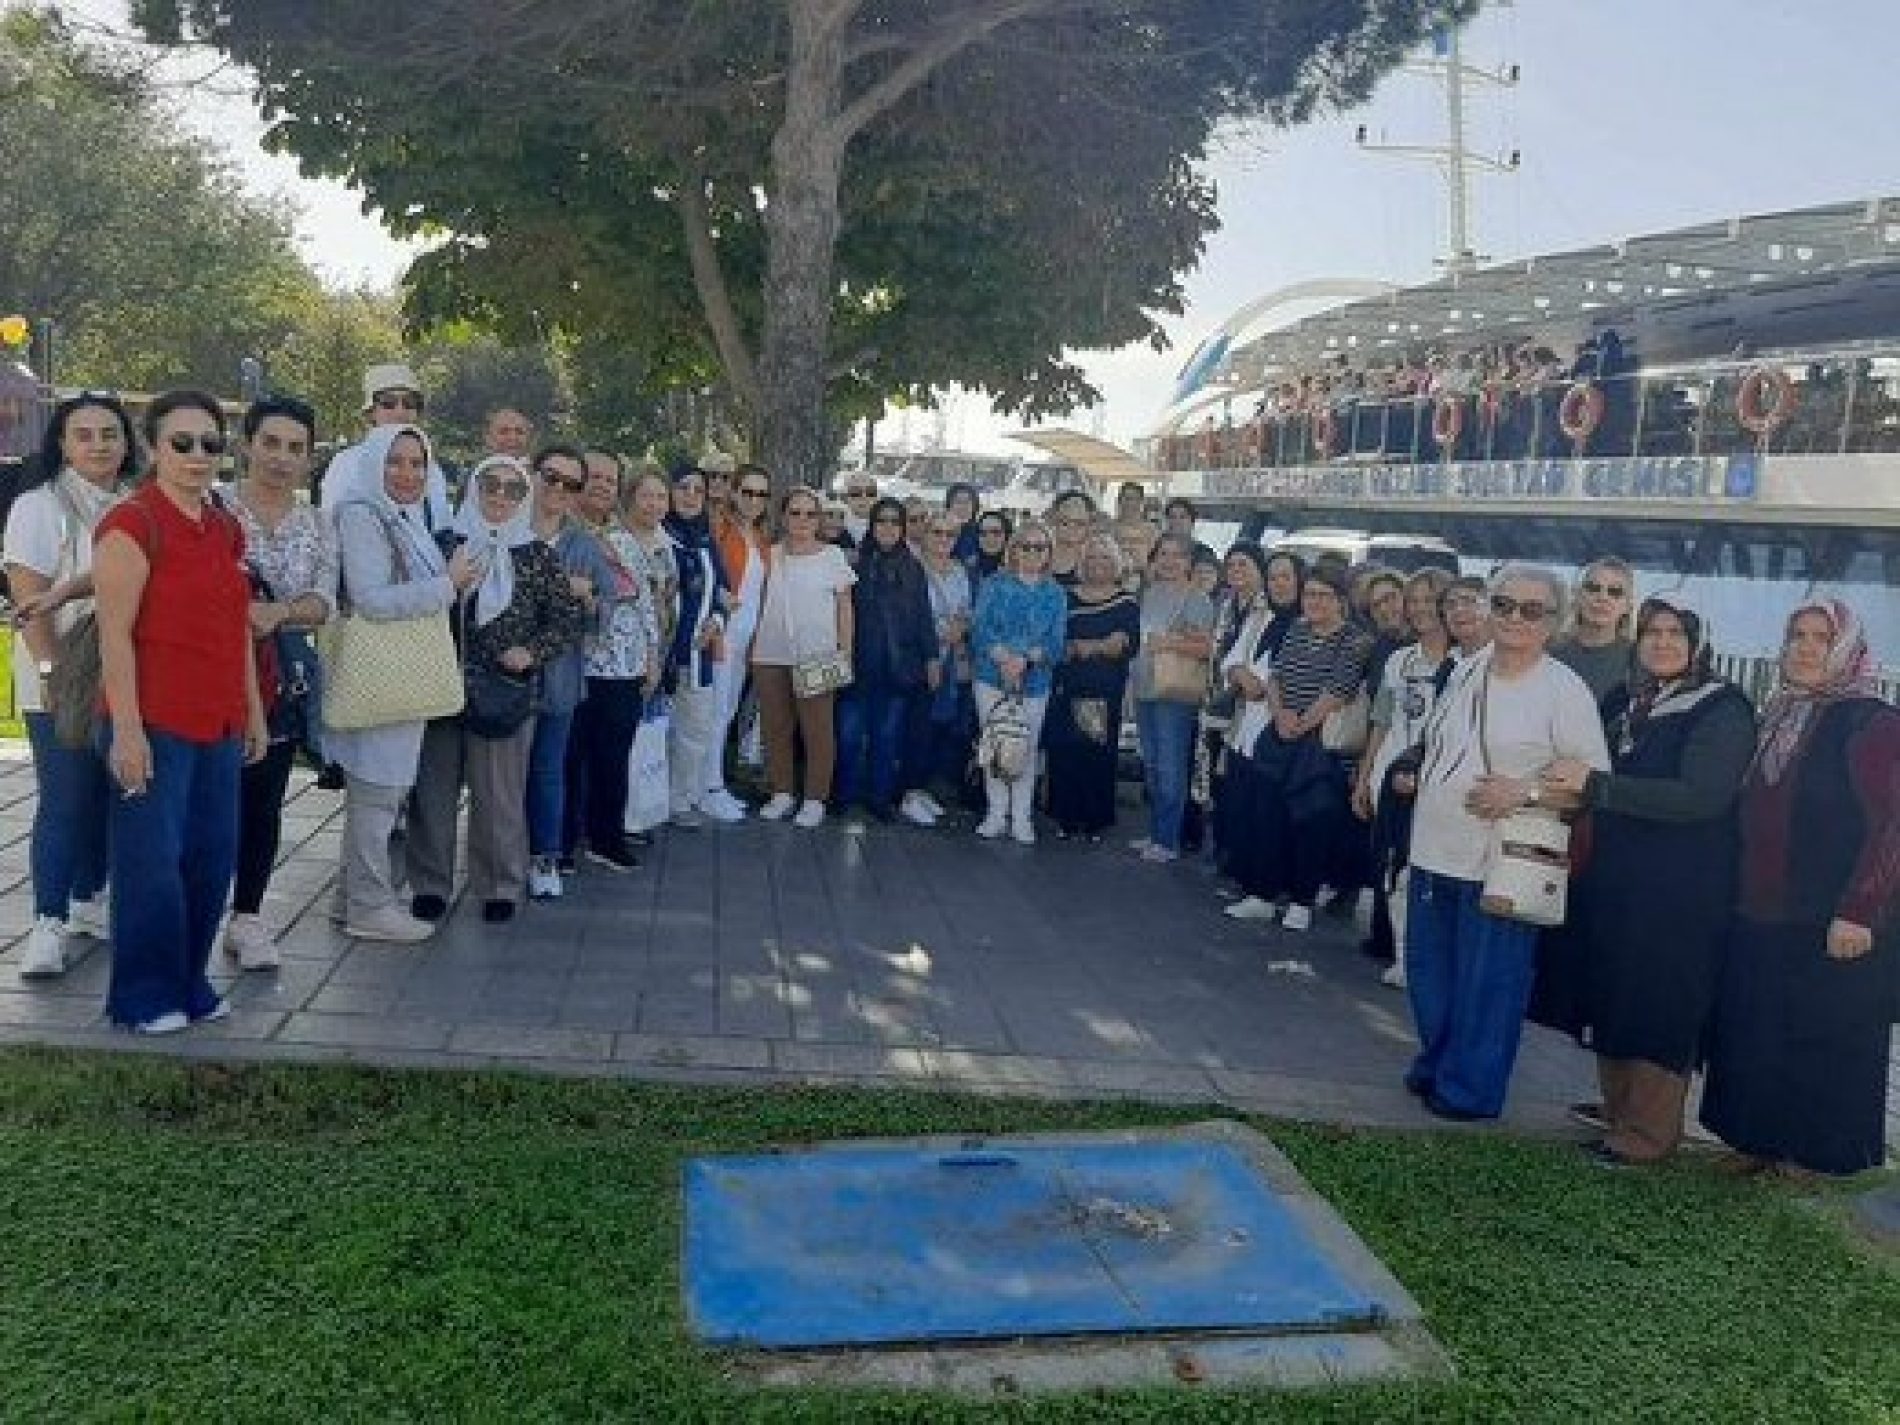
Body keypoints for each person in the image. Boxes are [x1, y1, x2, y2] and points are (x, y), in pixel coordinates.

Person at [1536, 596, 1756, 1165]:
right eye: (1652, 632)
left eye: (1675, 634)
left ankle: (1649, 1133)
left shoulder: (1722, 709)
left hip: (1680, 889)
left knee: (1661, 1001)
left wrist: (1597, 787)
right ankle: (1619, 1111)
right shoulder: (1626, 700)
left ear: (1697, 644)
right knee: (1616, 989)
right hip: (1620, 879)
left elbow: (1701, 797)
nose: (1662, 643)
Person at [1699, 599, 1899, 1177]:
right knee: (1761, 1029)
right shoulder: (1781, 712)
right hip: (1765, 910)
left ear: (1847, 649)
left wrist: (1859, 910)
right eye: (1797, 636)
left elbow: (1892, 824)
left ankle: (1821, 1157)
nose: (1806, 648)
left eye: (1820, 637)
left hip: (1834, 916)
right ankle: (1760, 1144)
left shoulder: (1872, 721)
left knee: (1825, 1037)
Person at [1403, 564, 1609, 1120]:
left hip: (1501, 863)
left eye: (1532, 609)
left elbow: (1587, 783)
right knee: (1430, 974)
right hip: (1433, 850)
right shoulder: (1467, 669)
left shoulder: (1564, 690)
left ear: (1552, 622)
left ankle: (1470, 1090)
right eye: (1505, 605)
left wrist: (1524, 791)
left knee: (1488, 986)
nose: (1515, 617)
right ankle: (1438, 1063)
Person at [92, 390, 268, 1031]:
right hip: (154, 723)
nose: (198, 456)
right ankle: (142, 998)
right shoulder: (131, 524)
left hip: (218, 723)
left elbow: (236, 627)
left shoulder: (223, 524)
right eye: (182, 443)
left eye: (210, 444)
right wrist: (128, 733)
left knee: (210, 859)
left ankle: (189, 982)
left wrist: (253, 710)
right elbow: (115, 636)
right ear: (152, 447)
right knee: (150, 868)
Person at [411, 456, 587, 922]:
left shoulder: (535, 553)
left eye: (513, 489)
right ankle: (430, 883)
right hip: (442, 685)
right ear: (473, 486)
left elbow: (569, 618)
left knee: (500, 796)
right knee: (433, 792)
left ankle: (500, 886)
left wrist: (531, 652)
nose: (500, 496)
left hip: (505, 692)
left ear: (524, 497)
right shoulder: (444, 542)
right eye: (490, 484)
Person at [325, 424, 480, 941]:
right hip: (384, 672)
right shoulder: (364, 515)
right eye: (396, 462)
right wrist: (448, 586)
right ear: (373, 464)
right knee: (379, 788)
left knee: (380, 788)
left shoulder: (401, 515)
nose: (408, 473)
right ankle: (369, 904)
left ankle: (353, 897)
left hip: (397, 675)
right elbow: (373, 598)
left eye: (418, 463)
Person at [4, 392, 133, 978]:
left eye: (110, 433)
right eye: (85, 434)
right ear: (61, 442)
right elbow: (28, 600)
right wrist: (53, 673)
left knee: (108, 792)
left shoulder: (136, 503)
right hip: (58, 674)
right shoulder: (38, 507)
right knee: (65, 797)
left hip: (123, 674)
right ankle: (47, 922)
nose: (99, 445)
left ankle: (89, 899)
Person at [224, 394, 337, 970]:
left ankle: (247, 917)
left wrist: (278, 613)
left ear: (310, 458)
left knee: (263, 804)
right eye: (270, 443)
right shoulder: (214, 508)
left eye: (295, 448)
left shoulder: (317, 522)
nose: (281, 458)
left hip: (279, 686)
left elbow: (323, 601)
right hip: (209, 682)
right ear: (247, 445)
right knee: (206, 805)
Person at [1225, 566, 1371, 930]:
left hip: (1319, 744)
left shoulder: (1354, 640)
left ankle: (1301, 901)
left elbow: (1339, 690)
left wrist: (1303, 723)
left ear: (1340, 600)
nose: (1315, 602)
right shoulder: (1296, 629)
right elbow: (1276, 676)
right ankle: (1262, 894)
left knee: (1311, 822)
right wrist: (1280, 715)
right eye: (1310, 595)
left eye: (1324, 595)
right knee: (1267, 816)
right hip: (1281, 732)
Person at [1352, 568, 1455, 988]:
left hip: (1439, 781)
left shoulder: (1466, 664)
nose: (1420, 609)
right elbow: (1380, 720)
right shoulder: (1400, 660)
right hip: (1393, 777)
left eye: (1430, 600)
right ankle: (1401, 953)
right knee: (1394, 870)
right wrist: (1364, 777)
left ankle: (1430, 956)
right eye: (1413, 601)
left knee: (1428, 873)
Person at [524, 445, 615, 899]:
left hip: (559, 677)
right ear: (533, 475)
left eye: (571, 484)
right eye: (551, 477)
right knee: (500, 774)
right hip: (503, 677)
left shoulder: (583, 543)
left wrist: (589, 598)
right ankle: (498, 856)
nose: (558, 489)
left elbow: (608, 607)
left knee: (547, 769)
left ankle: (546, 855)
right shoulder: (506, 527)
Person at [566, 461, 664, 867]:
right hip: (575, 664)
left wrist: (652, 655)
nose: (603, 485)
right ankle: (563, 843)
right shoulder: (563, 533)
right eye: (596, 478)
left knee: (614, 756)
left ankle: (606, 838)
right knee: (571, 758)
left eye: (611, 480)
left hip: (624, 666)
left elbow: (644, 600)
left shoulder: (625, 540)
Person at [753, 486, 856, 828]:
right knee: (776, 727)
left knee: (818, 731)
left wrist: (845, 651)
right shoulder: (771, 553)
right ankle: (781, 792)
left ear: (819, 519)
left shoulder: (832, 556)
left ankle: (815, 799)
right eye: (795, 512)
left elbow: (844, 606)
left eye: (810, 513)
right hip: (770, 652)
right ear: (783, 517)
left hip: (818, 654)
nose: (802, 519)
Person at [835, 497, 938, 822]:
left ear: (904, 527)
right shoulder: (854, 563)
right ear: (872, 525)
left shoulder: (914, 567)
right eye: (882, 521)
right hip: (857, 664)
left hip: (897, 667)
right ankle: (844, 794)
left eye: (895, 521)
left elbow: (924, 616)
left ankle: (879, 797)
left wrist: (931, 658)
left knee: (887, 737)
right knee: (849, 736)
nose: (889, 527)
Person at [969, 519, 1068, 844]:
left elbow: (1057, 641)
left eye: (1040, 547)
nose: (1032, 553)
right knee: (995, 747)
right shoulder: (994, 584)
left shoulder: (1055, 593)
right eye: (1026, 546)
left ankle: (1022, 817)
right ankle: (996, 814)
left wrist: (1026, 659)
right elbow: (980, 628)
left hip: (1035, 681)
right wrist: (1003, 657)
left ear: (1049, 553)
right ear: (1014, 550)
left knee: (1026, 748)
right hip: (991, 677)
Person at [1129, 534, 1216, 863]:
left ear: (1189, 562)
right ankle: (1156, 832)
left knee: (1170, 767)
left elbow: (1208, 648)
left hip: (1174, 692)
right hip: (1145, 686)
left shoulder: (1198, 600)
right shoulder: (1149, 594)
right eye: (1163, 554)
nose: (1169, 561)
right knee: (1151, 762)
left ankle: (1167, 840)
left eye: (1177, 555)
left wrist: (1169, 645)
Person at [1045, 535, 1140, 840]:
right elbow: (1055, 641)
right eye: (1092, 558)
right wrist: (1087, 646)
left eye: (1104, 558)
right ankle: (1066, 818)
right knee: (1065, 752)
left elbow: (1124, 643)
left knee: (1097, 755)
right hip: (1067, 688)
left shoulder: (1126, 601)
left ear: (1115, 564)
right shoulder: (1065, 597)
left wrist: (1092, 647)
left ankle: (1094, 821)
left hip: (1103, 691)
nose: (1098, 563)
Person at [660, 463, 730, 829]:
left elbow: (723, 594)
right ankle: (644, 803)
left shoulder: (706, 542)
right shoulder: (657, 535)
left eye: (698, 491)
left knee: (695, 729)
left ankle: (680, 799)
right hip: (657, 656)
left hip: (697, 652)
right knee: (652, 731)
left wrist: (716, 622)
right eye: (683, 487)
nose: (690, 496)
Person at [702, 461, 773, 822]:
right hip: (721, 634)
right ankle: (708, 787)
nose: (754, 499)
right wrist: (717, 596)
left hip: (746, 639)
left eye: (761, 494)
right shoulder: (719, 528)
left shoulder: (760, 539)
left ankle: (711, 782)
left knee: (727, 710)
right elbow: (703, 571)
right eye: (747, 491)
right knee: (715, 712)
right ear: (734, 492)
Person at [913, 512, 974, 824]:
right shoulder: (913, 568)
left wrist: (960, 628)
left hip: (953, 658)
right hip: (921, 658)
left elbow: (967, 610)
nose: (943, 539)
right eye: (937, 532)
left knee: (942, 724)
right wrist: (939, 631)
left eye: (950, 534)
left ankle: (928, 789)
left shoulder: (961, 571)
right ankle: (911, 791)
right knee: (918, 725)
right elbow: (909, 613)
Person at [1551, 556, 1635, 709]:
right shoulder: (1548, 651)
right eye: (1593, 588)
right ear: (1577, 596)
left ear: (1628, 606)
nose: (1602, 597)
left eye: (1615, 592)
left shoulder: (1639, 660)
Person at [1046, 492, 1094, 584]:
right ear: (1053, 520)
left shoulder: (1095, 561)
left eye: (1079, 523)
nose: (1072, 528)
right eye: (1065, 522)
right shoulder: (1036, 554)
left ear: (1089, 525)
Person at [967, 510, 1012, 597]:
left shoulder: (1019, 571)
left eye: (996, 532)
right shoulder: (966, 570)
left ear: (1007, 536)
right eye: (983, 533)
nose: (990, 538)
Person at [943, 481, 982, 563]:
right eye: (958, 502)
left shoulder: (981, 533)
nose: (963, 507)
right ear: (949, 505)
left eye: (967, 502)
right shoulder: (939, 532)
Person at [840, 474, 878, 549]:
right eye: (855, 493)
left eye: (870, 493)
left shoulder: (889, 527)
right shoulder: (834, 527)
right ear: (845, 498)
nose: (864, 497)